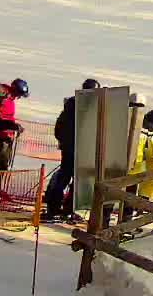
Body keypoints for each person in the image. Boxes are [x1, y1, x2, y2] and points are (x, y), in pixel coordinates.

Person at [44, 77, 98, 221]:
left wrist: (63, 141)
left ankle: (53, 208)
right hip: (79, 149)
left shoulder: (70, 105)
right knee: (76, 180)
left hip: (68, 148)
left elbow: (59, 126)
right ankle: (67, 209)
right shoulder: (89, 108)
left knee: (63, 177)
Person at [123, 95, 153, 221]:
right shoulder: (148, 126)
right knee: (130, 194)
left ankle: (103, 222)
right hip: (135, 165)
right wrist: (145, 154)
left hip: (113, 164)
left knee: (108, 192)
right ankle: (126, 221)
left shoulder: (118, 119)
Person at [0, 78, 29, 175]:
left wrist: (15, 126)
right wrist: (13, 126)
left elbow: (9, 117)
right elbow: (0, 117)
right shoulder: (4, 98)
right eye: (19, 95)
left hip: (7, 134)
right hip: (0, 135)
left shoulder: (10, 100)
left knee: (3, 164)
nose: (19, 97)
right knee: (0, 164)